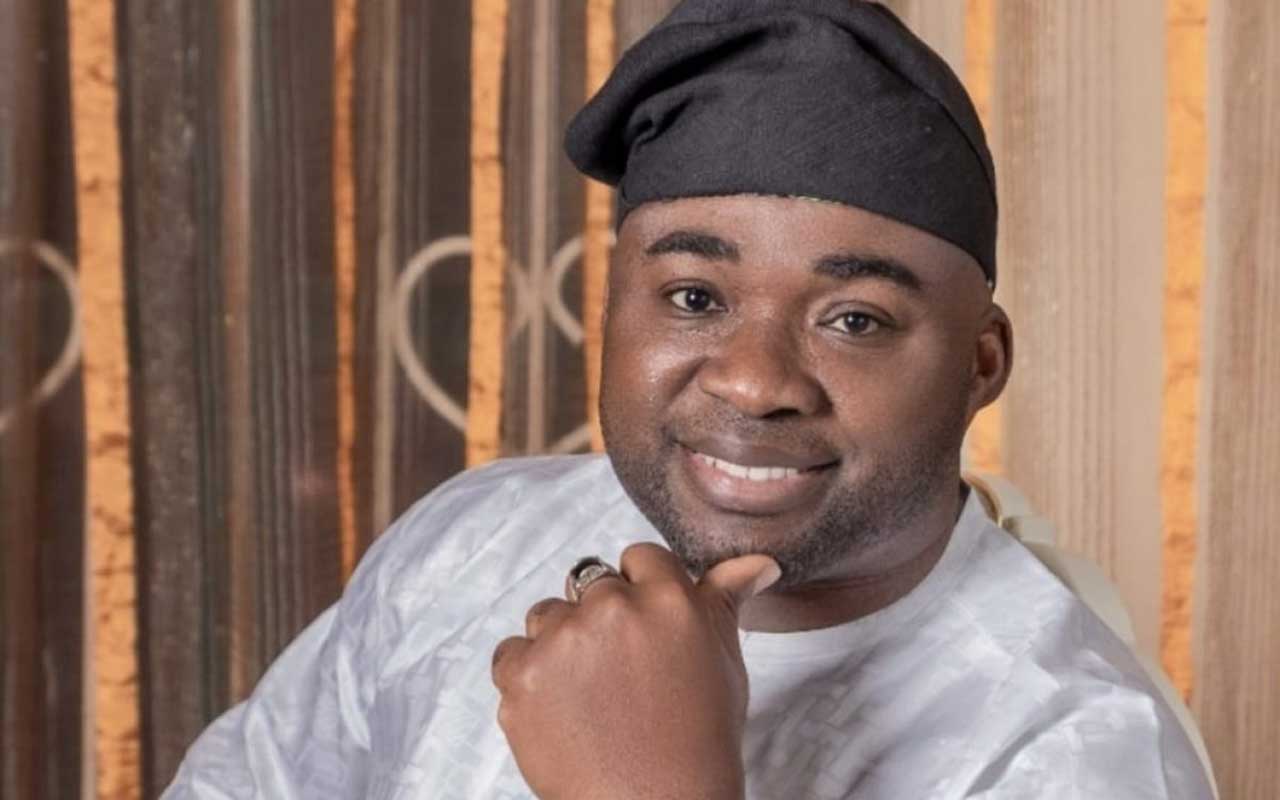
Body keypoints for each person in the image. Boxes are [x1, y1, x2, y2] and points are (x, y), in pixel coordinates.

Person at [163, 1, 1213, 797]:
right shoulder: (472, 541)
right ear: (611, 311)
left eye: (854, 318)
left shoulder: (1074, 754)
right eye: (695, 297)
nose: (753, 381)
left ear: (980, 364)